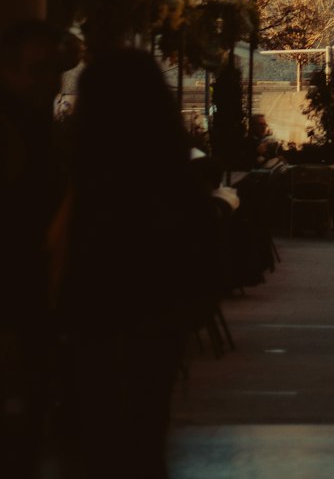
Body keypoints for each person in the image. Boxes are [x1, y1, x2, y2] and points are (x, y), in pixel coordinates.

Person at [55, 48, 218, 479]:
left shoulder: (80, 176)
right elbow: (200, 249)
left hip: (94, 321)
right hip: (158, 319)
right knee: (146, 427)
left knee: (97, 431)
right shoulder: (172, 175)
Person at [0, 19, 70, 477]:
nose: (49, 83)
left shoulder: (34, 125)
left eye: (55, 71)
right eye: (38, 70)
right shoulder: (15, 129)